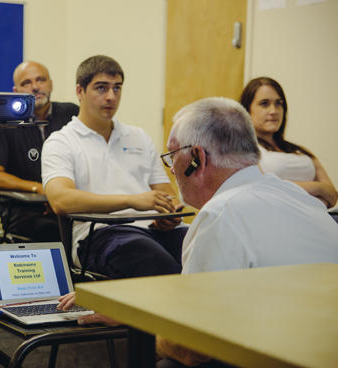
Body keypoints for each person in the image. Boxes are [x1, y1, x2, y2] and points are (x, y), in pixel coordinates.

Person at [59, 97, 338, 367]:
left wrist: (140, 322)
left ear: (197, 158)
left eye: (171, 156)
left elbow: (191, 347)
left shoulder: (220, 215)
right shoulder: (297, 196)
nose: (171, 171)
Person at [42, 55, 187, 279]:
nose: (111, 96)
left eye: (117, 88)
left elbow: (169, 197)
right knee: (160, 267)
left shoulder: (139, 136)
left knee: (208, 251)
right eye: (101, 88)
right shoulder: (61, 141)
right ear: (80, 92)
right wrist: (131, 200)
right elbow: (60, 200)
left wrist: (171, 215)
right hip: (100, 234)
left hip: (154, 230)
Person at [0, 61, 79, 242]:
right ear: (16, 91)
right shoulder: (2, 123)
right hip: (23, 209)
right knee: (58, 232)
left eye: (41, 80)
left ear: (51, 84)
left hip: (68, 202)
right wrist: (40, 189)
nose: (35, 87)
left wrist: (61, 196)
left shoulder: (72, 114)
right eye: (26, 83)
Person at [239, 77, 338, 222]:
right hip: (279, 221)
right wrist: (318, 188)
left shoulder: (301, 150)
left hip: (319, 220)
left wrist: (284, 188)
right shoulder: (244, 150)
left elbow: (331, 194)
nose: (273, 111)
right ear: (247, 110)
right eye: (264, 104)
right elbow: (263, 191)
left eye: (279, 104)